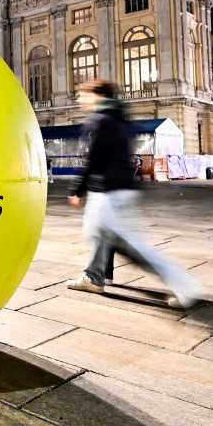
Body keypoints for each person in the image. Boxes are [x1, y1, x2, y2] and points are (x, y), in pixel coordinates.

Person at [65, 78, 202, 309]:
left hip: (108, 192)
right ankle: (93, 278)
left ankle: (185, 285)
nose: (80, 99)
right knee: (98, 234)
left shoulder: (101, 121)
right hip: (119, 189)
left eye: (84, 94)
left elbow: (93, 159)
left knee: (132, 246)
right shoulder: (119, 118)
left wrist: (76, 190)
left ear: (98, 94)